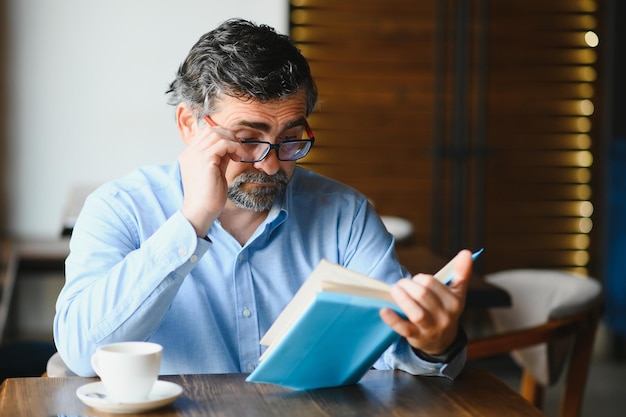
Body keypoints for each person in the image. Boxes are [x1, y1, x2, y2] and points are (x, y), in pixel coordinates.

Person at [53, 18, 473, 379]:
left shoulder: (345, 214)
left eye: (290, 139)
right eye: (248, 139)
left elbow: (395, 356)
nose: (272, 166)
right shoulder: (120, 208)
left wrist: (433, 344)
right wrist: (193, 220)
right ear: (188, 124)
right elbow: (81, 350)